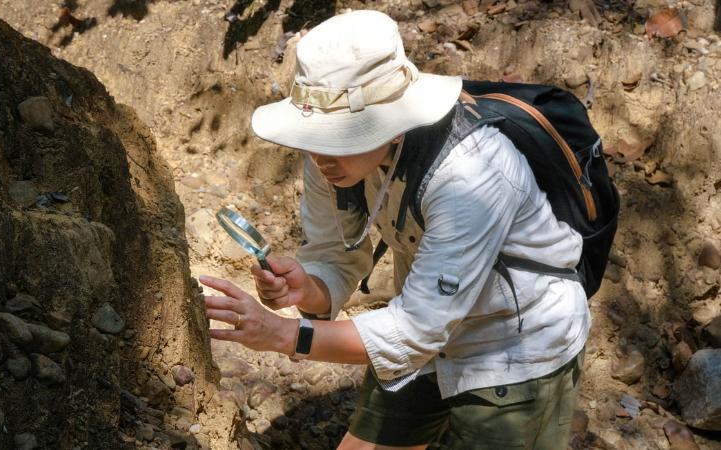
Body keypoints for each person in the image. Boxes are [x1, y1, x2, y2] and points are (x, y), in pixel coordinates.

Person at [199, 9, 590, 450]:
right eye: (314, 137)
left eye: (338, 137)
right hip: (425, 324)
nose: (320, 156)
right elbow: (335, 251)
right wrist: (307, 288)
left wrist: (284, 335)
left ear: (390, 121)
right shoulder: (328, 159)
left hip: (517, 344)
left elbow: (418, 328)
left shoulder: (471, 172)